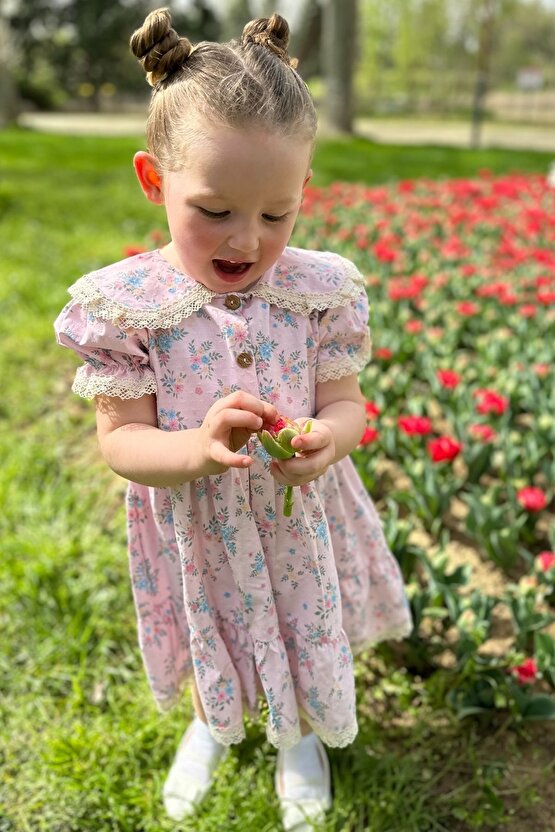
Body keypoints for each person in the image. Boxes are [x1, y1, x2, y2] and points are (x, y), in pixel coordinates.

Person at [54, 8, 412, 830]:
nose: (245, 240)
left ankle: (300, 739)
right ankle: (214, 722)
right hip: (196, 522)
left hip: (296, 521)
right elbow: (122, 442)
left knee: (296, 624)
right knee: (211, 623)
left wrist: (328, 442)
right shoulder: (128, 308)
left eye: (276, 215)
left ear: (301, 194)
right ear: (154, 181)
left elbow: (347, 405)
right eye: (213, 211)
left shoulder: (318, 291)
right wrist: (196, 447)